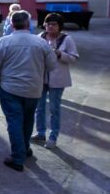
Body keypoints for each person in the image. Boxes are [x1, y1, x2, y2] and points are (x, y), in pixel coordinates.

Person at [0, 11, 57, 171]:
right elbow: (52, 65)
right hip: (33, 89)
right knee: (27, 119)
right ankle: (24, 148)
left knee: (14, 121)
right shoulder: (41, 43)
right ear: (28, 24)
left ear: (12, 24)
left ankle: (17, 158)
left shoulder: (4, 42)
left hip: (9, 88)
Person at [32, 13, 79, 149]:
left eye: (54, 24)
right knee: (39, 108)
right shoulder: (40, 37)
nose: (50, 26)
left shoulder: (66, 39)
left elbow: (74, 58)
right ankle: (40, 133)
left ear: (59, 26)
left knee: (54, 109)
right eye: (48, 24)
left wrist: (60, 54)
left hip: (57, 80)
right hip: (41, 79)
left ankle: (53, 137)